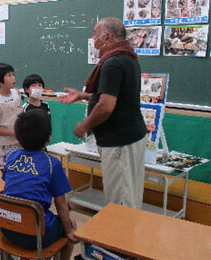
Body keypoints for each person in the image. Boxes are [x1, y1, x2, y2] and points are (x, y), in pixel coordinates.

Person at [59, 18, 147, 209]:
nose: (92, 38)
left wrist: (85, 125)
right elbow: (111, 94)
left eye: (94, 33)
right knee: (129, 193)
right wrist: (82, 95)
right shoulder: (127, 57)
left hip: (120, 142)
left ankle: (120, 238)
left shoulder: (112, 63)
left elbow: (106, 105)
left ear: (106, 36)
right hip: (130, 137)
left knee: (120, 201)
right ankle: (125, 236)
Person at [2, 110, 77, 260]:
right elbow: (61, 204)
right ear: (48, 139)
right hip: (37, 236)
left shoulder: (10, 156)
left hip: (7, 228)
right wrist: (69, 231)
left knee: (25, 210)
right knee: (72, 223)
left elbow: (13, 187)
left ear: (17, 136)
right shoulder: (52, 164)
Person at [0, 63, 23, 170]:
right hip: (2, 145)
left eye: (13, 74)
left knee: (18, 172)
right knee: (1, 175)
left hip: (18, 143)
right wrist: (14, 132)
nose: (13, 78)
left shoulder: (17, 93)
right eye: (9, 75)